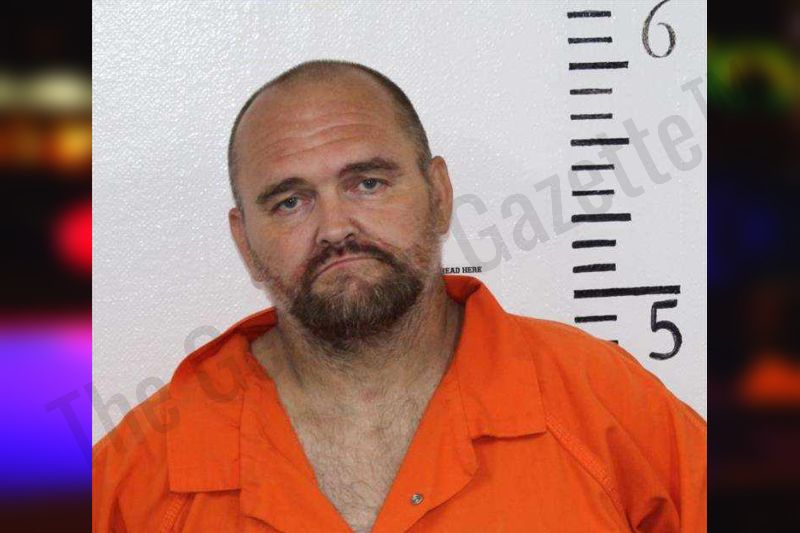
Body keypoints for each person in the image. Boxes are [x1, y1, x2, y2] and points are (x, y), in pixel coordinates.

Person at [92, 60, 707, 532]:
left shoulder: (601, 403)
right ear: (244, 242)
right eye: (290, 201)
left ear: (439, 194)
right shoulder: (142, 471)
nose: (334, 227)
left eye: (367, 182)